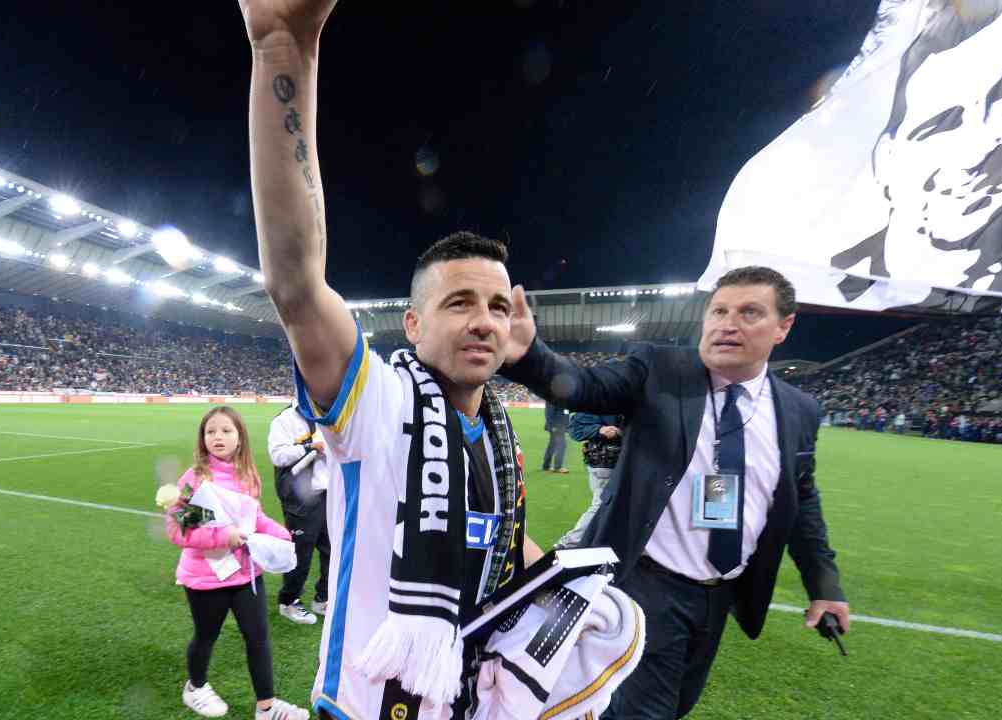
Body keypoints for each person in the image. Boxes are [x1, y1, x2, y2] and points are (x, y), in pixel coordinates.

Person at [236, 2, 644, 718]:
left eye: (496, 305)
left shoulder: (498, 431)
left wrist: (569, 589)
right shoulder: (379, 403)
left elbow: (499, 548)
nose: (483, 321)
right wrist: (282, 48)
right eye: (459, 303)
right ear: (413, 323)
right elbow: (296, 282)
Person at [500, 265, 850, 720]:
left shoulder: (800, 411)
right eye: (719, 310)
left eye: (749, 313)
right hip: (645, 583)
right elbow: (584, 386)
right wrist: (530, 354)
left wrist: (824, 585)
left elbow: (801, 501)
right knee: (644, 713)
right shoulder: (659, 370)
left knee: (676, 705)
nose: (728, 323)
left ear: (784, 327)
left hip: (720, 594)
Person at [166, 407, 309, 720]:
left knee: (258, 638)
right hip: (207, 577)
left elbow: (254, 519)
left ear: (240, 438)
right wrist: (222, 536)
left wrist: (281, 534)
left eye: (226, 431)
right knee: (206, 636)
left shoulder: (247, 475)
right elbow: (179, 528)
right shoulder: (197, 478)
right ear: (202, 439)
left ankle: (266, 708)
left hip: (246, 573)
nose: (218, 437)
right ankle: (196, 687)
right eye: (211, 431)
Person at [268, 402, 332, 625]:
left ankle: (323, 598)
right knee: (299, 553)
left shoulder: (331, 414)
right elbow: (277, 456)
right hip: (300, 497)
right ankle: (289, 601)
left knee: (332, 549)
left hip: (329, 493)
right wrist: (311, 447)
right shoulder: (285, 419)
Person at [554, 412, 622, 550]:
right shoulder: (609, 400)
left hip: (604, 463)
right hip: (608, 464)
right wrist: (600, 430)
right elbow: (575, 430)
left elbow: (574, 429)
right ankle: (569, 543)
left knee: (610, 505)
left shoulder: (596, 399)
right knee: (602, 504)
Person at [542, 401, 571, 473]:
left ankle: (546, 466)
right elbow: (548, 413)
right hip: (556, 426)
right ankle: (558, 467)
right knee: (562, 445)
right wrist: (552, 426)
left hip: (561, 425)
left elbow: (566, 412)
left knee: (552, 445)